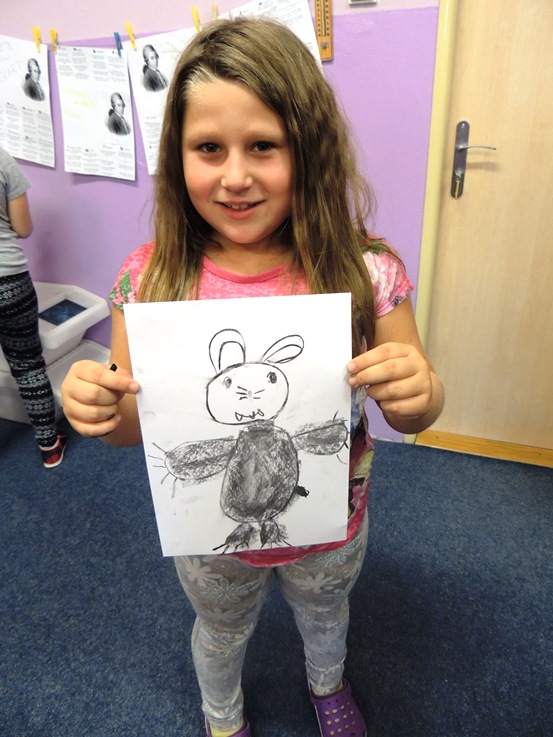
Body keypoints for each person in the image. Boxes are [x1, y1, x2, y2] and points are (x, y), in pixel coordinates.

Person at [61, 17, 444, 737]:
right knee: (220, 629)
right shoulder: (149, 279)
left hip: (330, 525)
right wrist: (100, 407)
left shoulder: (365, 269)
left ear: (307, 148)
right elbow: (132, 425)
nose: (234, 176)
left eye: (263, 146)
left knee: (325, 613)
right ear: (178, 156)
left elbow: (413, 409)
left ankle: (327, 684)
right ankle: (222, 713)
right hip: (211, 537)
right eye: (209, 148)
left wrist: (420, 392)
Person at [0, 147, 66, 467]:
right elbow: (24, 229)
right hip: (9, 280)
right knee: (27, 364)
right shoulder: (2, 159)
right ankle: (49, 446)